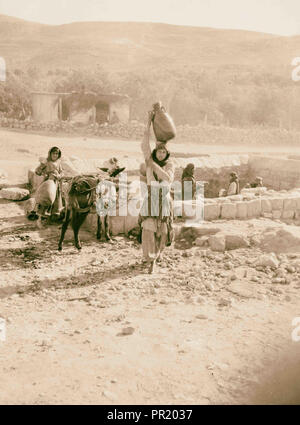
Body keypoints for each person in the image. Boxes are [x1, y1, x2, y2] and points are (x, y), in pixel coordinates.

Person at [139, 111, 175, 274]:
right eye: (158, 151)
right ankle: (151, 260)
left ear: (166, 154)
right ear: (155, 152)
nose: (161, 153)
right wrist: (148, 122)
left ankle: (157, 255)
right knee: (148, 229)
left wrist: (152, 165)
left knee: (162, 231)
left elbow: (167, 178)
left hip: (165, 200)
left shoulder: (170, 165)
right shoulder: (149, 159)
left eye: (163, 152)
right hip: (151, 199)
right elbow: (144, 144)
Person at [29, 146, 64, 226]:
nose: (55, 155)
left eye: (57, 154)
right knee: (45, 198)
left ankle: (52, 217)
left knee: (55, 200)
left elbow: (62, 172)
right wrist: (42, 167)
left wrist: (59, 176)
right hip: (47, 183)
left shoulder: (59, 162)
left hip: (56, 184)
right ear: (50, 154)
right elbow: (37, 172)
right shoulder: (46, 162)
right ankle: (40, 217)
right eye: (53, 153)